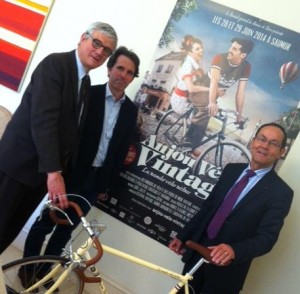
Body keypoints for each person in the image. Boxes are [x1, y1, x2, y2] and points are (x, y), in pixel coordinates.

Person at [0, 21, 118, 255]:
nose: (100, 52)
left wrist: (59, 175)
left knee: (7, 232)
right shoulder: (56, 64)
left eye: (107, 50)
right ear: (82, 38)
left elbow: (71, 136)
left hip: (39, 177)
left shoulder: (85, 82)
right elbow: (45, 122)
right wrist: (55, 173)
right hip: (17, 167)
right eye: (97, 43)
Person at [20, 46, 140, 273]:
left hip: (94, 183)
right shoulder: (89, 94)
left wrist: (105, 185)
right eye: (119, 68)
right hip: (71, 175)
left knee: (65, 233)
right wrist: (58, 172)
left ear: (133, 78)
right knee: (45, 224)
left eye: (129, 72)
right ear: (109, 69)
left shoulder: (131, 111)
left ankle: (43, 276)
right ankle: (26, 271)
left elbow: (120, 152)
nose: (122, 75)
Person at [169, 122, 293, 294]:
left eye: (273, 143)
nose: (264, 145)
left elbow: (267, 238)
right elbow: (208, 208)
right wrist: (184, 235)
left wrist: (235, 250)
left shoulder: (281, 192)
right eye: (261, 139)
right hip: (197, 254)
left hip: (227, 272)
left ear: (281, 152)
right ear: (252, 142)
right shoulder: (231, 170)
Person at [186, 37, 254, 157]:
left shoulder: (246, 67)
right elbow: (214, 82)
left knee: (212, 111)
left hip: (212, 94)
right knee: (207, 110)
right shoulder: (220, 58)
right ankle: (188, 145)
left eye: (234, 49)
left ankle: (191, 143)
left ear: (243, 55)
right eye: (231, 46)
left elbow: (241, 91)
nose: (229, 50)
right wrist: (212, 102)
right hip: (200, 88)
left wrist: (239, 113)